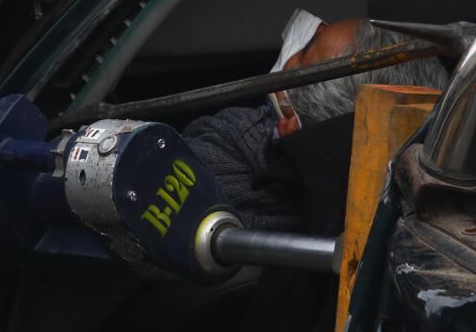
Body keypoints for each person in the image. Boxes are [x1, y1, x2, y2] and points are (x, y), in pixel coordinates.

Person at [182, 14, 450, 237]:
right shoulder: (445, 177)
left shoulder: (226, 147)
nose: (315, 28)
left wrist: (274, 144)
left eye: (308, 50)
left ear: (293, 126)